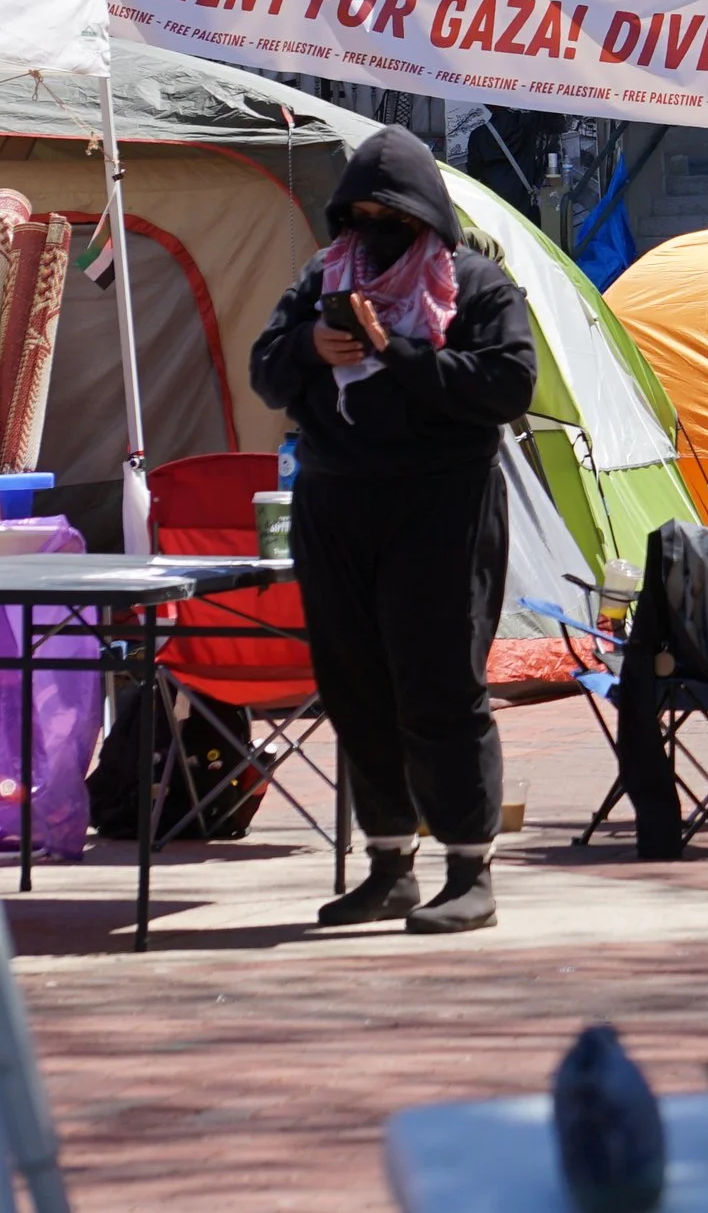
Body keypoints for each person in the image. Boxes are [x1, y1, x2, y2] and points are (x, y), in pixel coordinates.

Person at [250, 126, 538, 934]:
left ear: (426, 217)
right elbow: (266, 370)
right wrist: (312, 344)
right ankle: (389, 866)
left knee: (441, 684)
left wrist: (400, 350)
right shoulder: (324, 276)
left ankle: (470, 869)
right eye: (360, 215)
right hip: (337, 504)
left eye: (392, 218)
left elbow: (507, 384)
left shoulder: (474, 286)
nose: (372, 232)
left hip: (441, 506)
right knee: (356, 685)